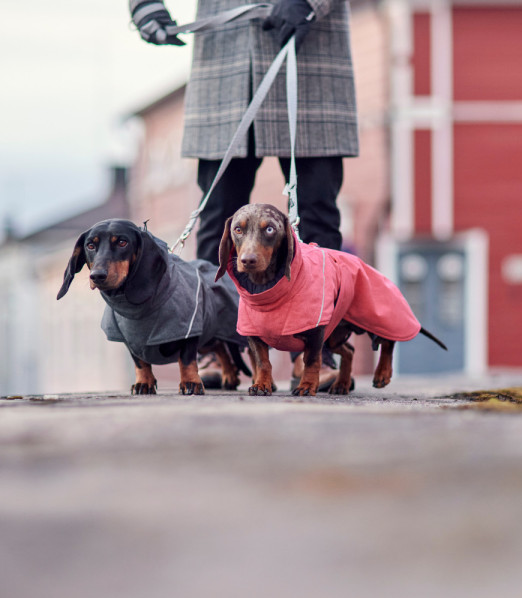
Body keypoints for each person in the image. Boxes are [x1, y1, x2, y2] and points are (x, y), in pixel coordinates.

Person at [129, 0, 359, 389]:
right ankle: (212, 348)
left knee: (318, 216)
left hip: (309, 54)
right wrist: (146, 8)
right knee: (216, 220)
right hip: (225, 63)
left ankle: (318, 351)